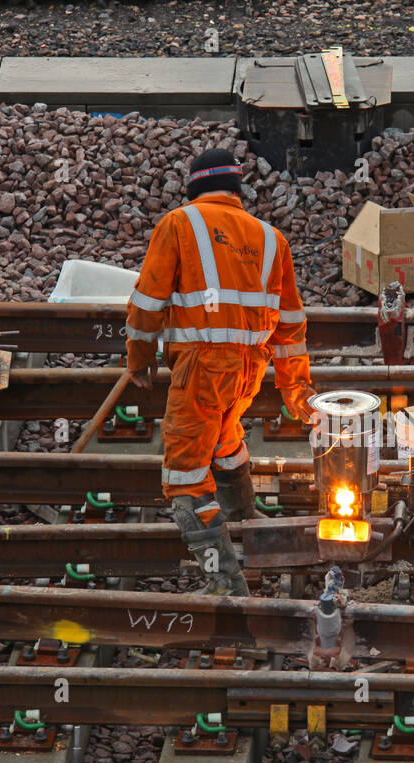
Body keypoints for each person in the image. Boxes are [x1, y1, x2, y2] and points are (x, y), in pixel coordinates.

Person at [125, 147, 315, 596]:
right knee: (226, 439)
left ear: (195, 187)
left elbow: (147, 303)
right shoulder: (271, 238)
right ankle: (245, 518)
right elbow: (291, 326)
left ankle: (226, 582)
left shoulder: (178, 223)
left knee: (184, 477)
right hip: (248, 371)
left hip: (203, 367)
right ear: (235, 190)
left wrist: (139, 360)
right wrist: (295, 390)